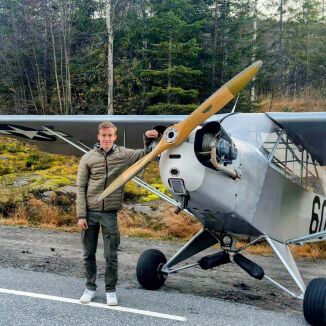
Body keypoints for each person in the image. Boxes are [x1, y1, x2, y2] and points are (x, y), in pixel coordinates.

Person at [76, 121, 158, 305]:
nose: (106, 139)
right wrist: (81, 215)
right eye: (103, 135)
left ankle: (110, 290)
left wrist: (146, 138)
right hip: (89, 212)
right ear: (98, 137)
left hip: (109, 214)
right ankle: (90, 287)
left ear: (115, 137)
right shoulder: (87, 158)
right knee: (88, 254)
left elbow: (145, 154)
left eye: (109, 136)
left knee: (110, 255)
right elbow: (80, 187)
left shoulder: (123, 155)